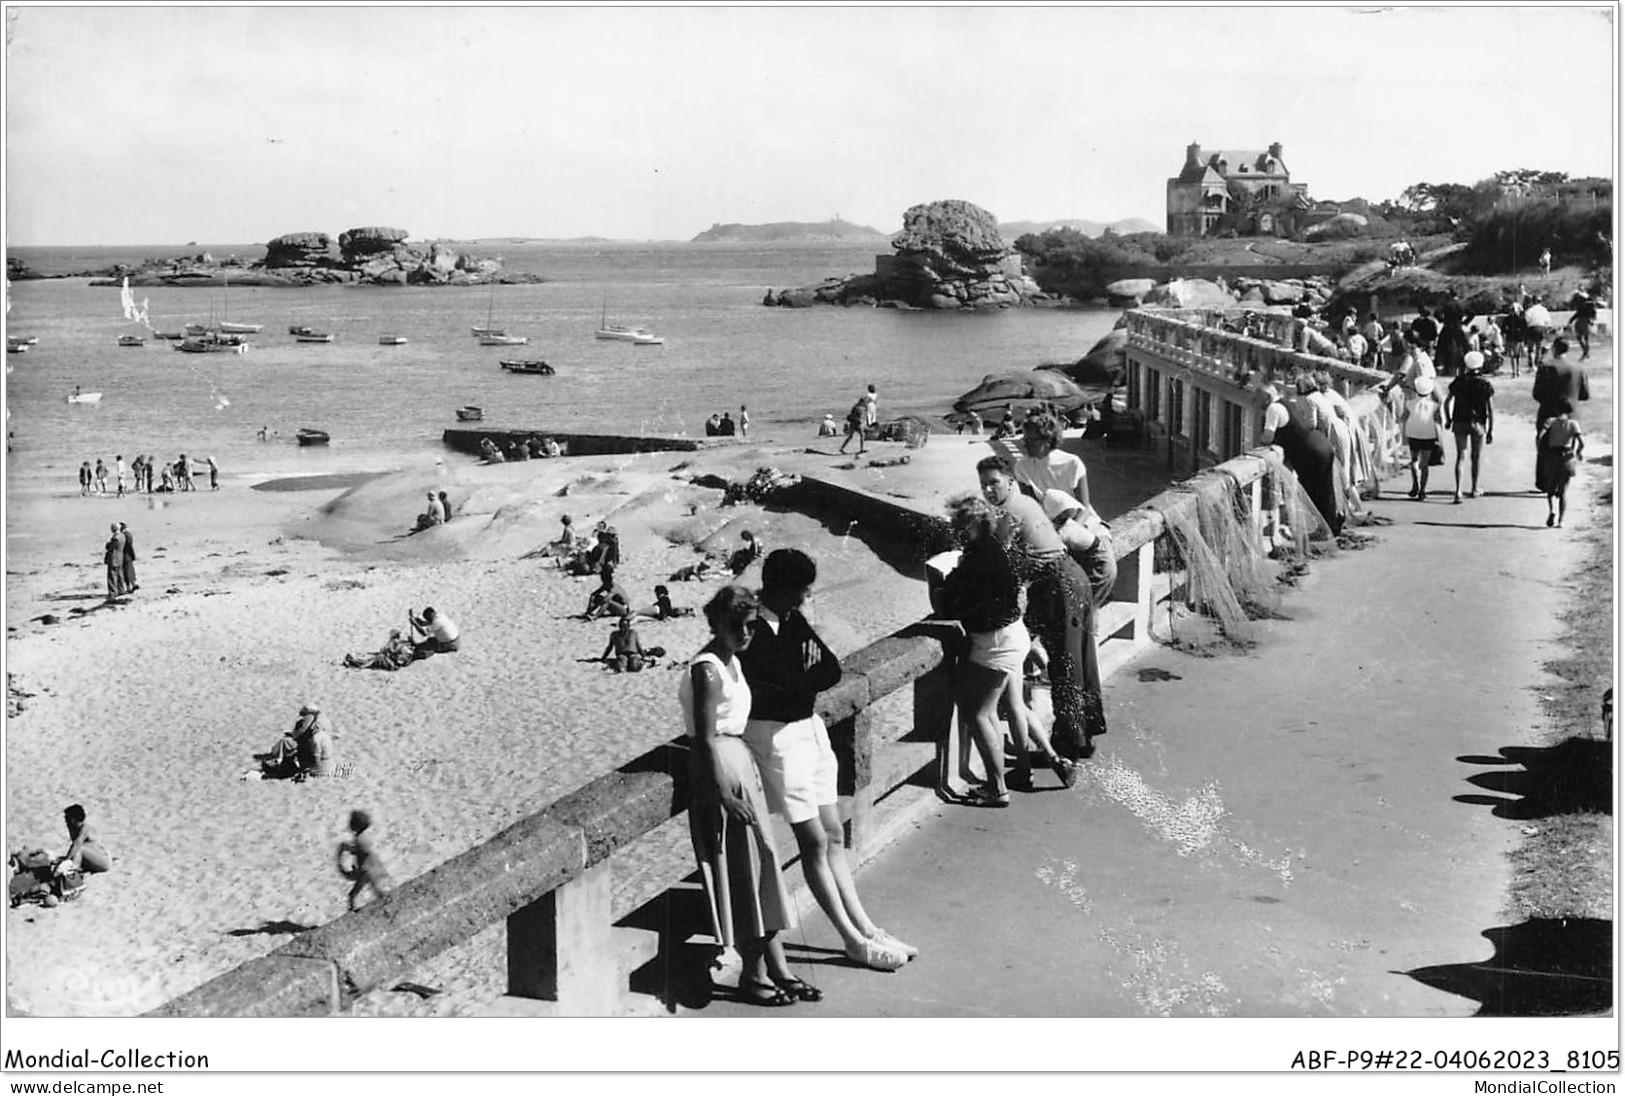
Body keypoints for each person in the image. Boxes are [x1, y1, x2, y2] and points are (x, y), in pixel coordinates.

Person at [737, 549, 914, 971]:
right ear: (783, 589)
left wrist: (799, 682)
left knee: (833, 832)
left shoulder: (791, 620)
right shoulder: (753, 630)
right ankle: (851, 939)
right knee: (814, 841)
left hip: (807, 731)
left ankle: (865, 926)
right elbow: (777, 693)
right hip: (777, 739)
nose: (806, 596)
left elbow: (830, 670)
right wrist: (802, 681)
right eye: (801, 589)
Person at [680, 585, 809, 1006]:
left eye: (750, 625)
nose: (745, 633)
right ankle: (753, 975)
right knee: (746, 874)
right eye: (735, 625)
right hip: (724, 770)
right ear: (715, 623)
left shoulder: (731, 662)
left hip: (740, 765)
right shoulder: (709, 669)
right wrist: (724, 795)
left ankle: (777, 967)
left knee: (762, 867)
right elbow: (704, 739)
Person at [935, 496, 1076, 805]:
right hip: (1014, 635)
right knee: (1010, 705)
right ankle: (1041, 763)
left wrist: (947, 585)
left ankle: (997, 789)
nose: (953, 529)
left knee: (978, 713)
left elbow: (951, 603)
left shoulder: (976, 558)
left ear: (972, 525)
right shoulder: (998, 548)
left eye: (958, 524)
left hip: (995, 642)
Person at [976, 455, 1105, 760]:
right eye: (983, 485)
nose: (988, 491)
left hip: (1057, 586)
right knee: (1081, 661)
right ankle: (1083, 736)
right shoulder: (1026, 502)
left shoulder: (1006, 513)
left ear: (1009, 480)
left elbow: (1003, 566)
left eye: (994, 482)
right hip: (1073, 577)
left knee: (1064, 666)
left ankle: (1070, 743)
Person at [1261, 379, 1344, 532]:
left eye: (1258, 397)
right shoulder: (1286, 403)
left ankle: (1322, 530)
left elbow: (1267, 436)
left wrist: (1262, 442)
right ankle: (1331, 527)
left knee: (1313, 493)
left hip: (1310, 452)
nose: (1256, 402)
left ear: (1266, 397)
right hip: (1322, 444)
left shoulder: (1272, 409)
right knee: (1325, 491)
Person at [1040, 489, 1117, 611]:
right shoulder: (1084, 521)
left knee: (1084, 608)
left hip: (1098, 566)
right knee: (1088, 606)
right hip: (1103, 557)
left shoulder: (1067, 529)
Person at [1012, 412, 1093, 516]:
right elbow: (1031, 507)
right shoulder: (1022, 466)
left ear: (1048, 440)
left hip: (1075, 517)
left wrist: (1071, 529)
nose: (1025, 444)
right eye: (1024, 439)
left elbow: (1084, 508)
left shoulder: (1072, 463)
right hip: (1044, 519)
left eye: (1031, 440)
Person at [1444, 351, 1496, 502]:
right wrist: (1490, 429)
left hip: (1459, 421)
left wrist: (1448, 419)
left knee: (1461, 456)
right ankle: (1474, 488)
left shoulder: (1458, 381)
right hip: (1478, 422)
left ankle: (1458, 491)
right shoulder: (1485, 384)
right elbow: (1490, 409)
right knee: (1476, 457)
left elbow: (1447, 402)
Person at [1535, 398, 1584, 528]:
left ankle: (1552, 510)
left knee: (1550, 488)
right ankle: (1561, 520)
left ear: (1556, 409)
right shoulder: (1573, 424)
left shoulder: (1550, 421)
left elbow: (1540, 435)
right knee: (1563, 492)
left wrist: (1540, 449)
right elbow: (1581, 442)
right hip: (1567, 457)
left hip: (1552, 456)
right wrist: (1578, 452)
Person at [253, 705, 334, 781]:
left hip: (311, 757)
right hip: (321, 759)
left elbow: (302, 733)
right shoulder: (321, 721)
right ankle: (279, 757)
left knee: (285, 741)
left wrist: (294, 735)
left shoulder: (310, 721)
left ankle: (278, 758)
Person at [1400, 375, 1446, 501]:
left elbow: (1403, 418)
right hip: (1428, 434)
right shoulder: (1435, 406)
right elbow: (1439, 421)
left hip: (1413, 433)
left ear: (1415, 390)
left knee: (1414, 459)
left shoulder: (1409, 403)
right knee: (1424, 463)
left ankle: (1415, 484)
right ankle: (1422, 490)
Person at [336, 809, 392, 912]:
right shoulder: (362, 837)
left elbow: (363, 851)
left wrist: (348, 849)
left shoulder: (360, 839)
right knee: (373, 889)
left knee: (354, 893)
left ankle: (352, 910)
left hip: (365, 870)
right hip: (368, 868)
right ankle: (385, 901)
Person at [1532, 337, 1590, 435]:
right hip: (1571, 415)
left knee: (1544, 445)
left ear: (1554, 348)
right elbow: (1585, 395)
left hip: (1548, 414)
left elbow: (1537, 394)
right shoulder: (1579, 368)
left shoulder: (1546, 368)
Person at [57, 804, 111, 876]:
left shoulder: (85, 828)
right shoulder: (74, 828)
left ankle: (73, 873)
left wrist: (66, 860)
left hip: (103, 861)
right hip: (92, 859)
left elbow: (77, 845)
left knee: (79, 848)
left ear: (73, 820)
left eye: (67, 818)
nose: (65, 820)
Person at [342, 629, 417, 671]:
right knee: (373, 658)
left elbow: (392, 652)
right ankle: (355, 662)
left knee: (373, 660)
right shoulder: (401, 644)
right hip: (393, 663)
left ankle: (356, 664)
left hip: (392, 663)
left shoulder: (396, 643)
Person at [1570, 288, 1598, 362]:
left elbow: (1593, 313)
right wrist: (1571, 320)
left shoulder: (1588, 303)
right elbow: (1578, 313)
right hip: (1581, 321)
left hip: (1584, 321)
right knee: (1582, 338)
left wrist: (1592, 320)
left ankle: (1585, 354)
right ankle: (1586, 353)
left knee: (1585, 338)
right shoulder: (1584, 303)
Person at [103, 524, 126, 599]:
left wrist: (108, 543)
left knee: (112, 576)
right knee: (120, 574)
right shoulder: (122, 536)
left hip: (114, 558)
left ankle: (113, 592)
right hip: (120, 557)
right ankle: (121, 589)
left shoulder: (116, 538)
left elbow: (109, 546)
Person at [118, 522, 137, 594]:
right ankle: (133, 584)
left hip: (124, 555)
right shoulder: (128, 534)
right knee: (130, 570)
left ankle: (129, 587)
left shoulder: (123, 535)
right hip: (128, 555)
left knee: (126, 572)